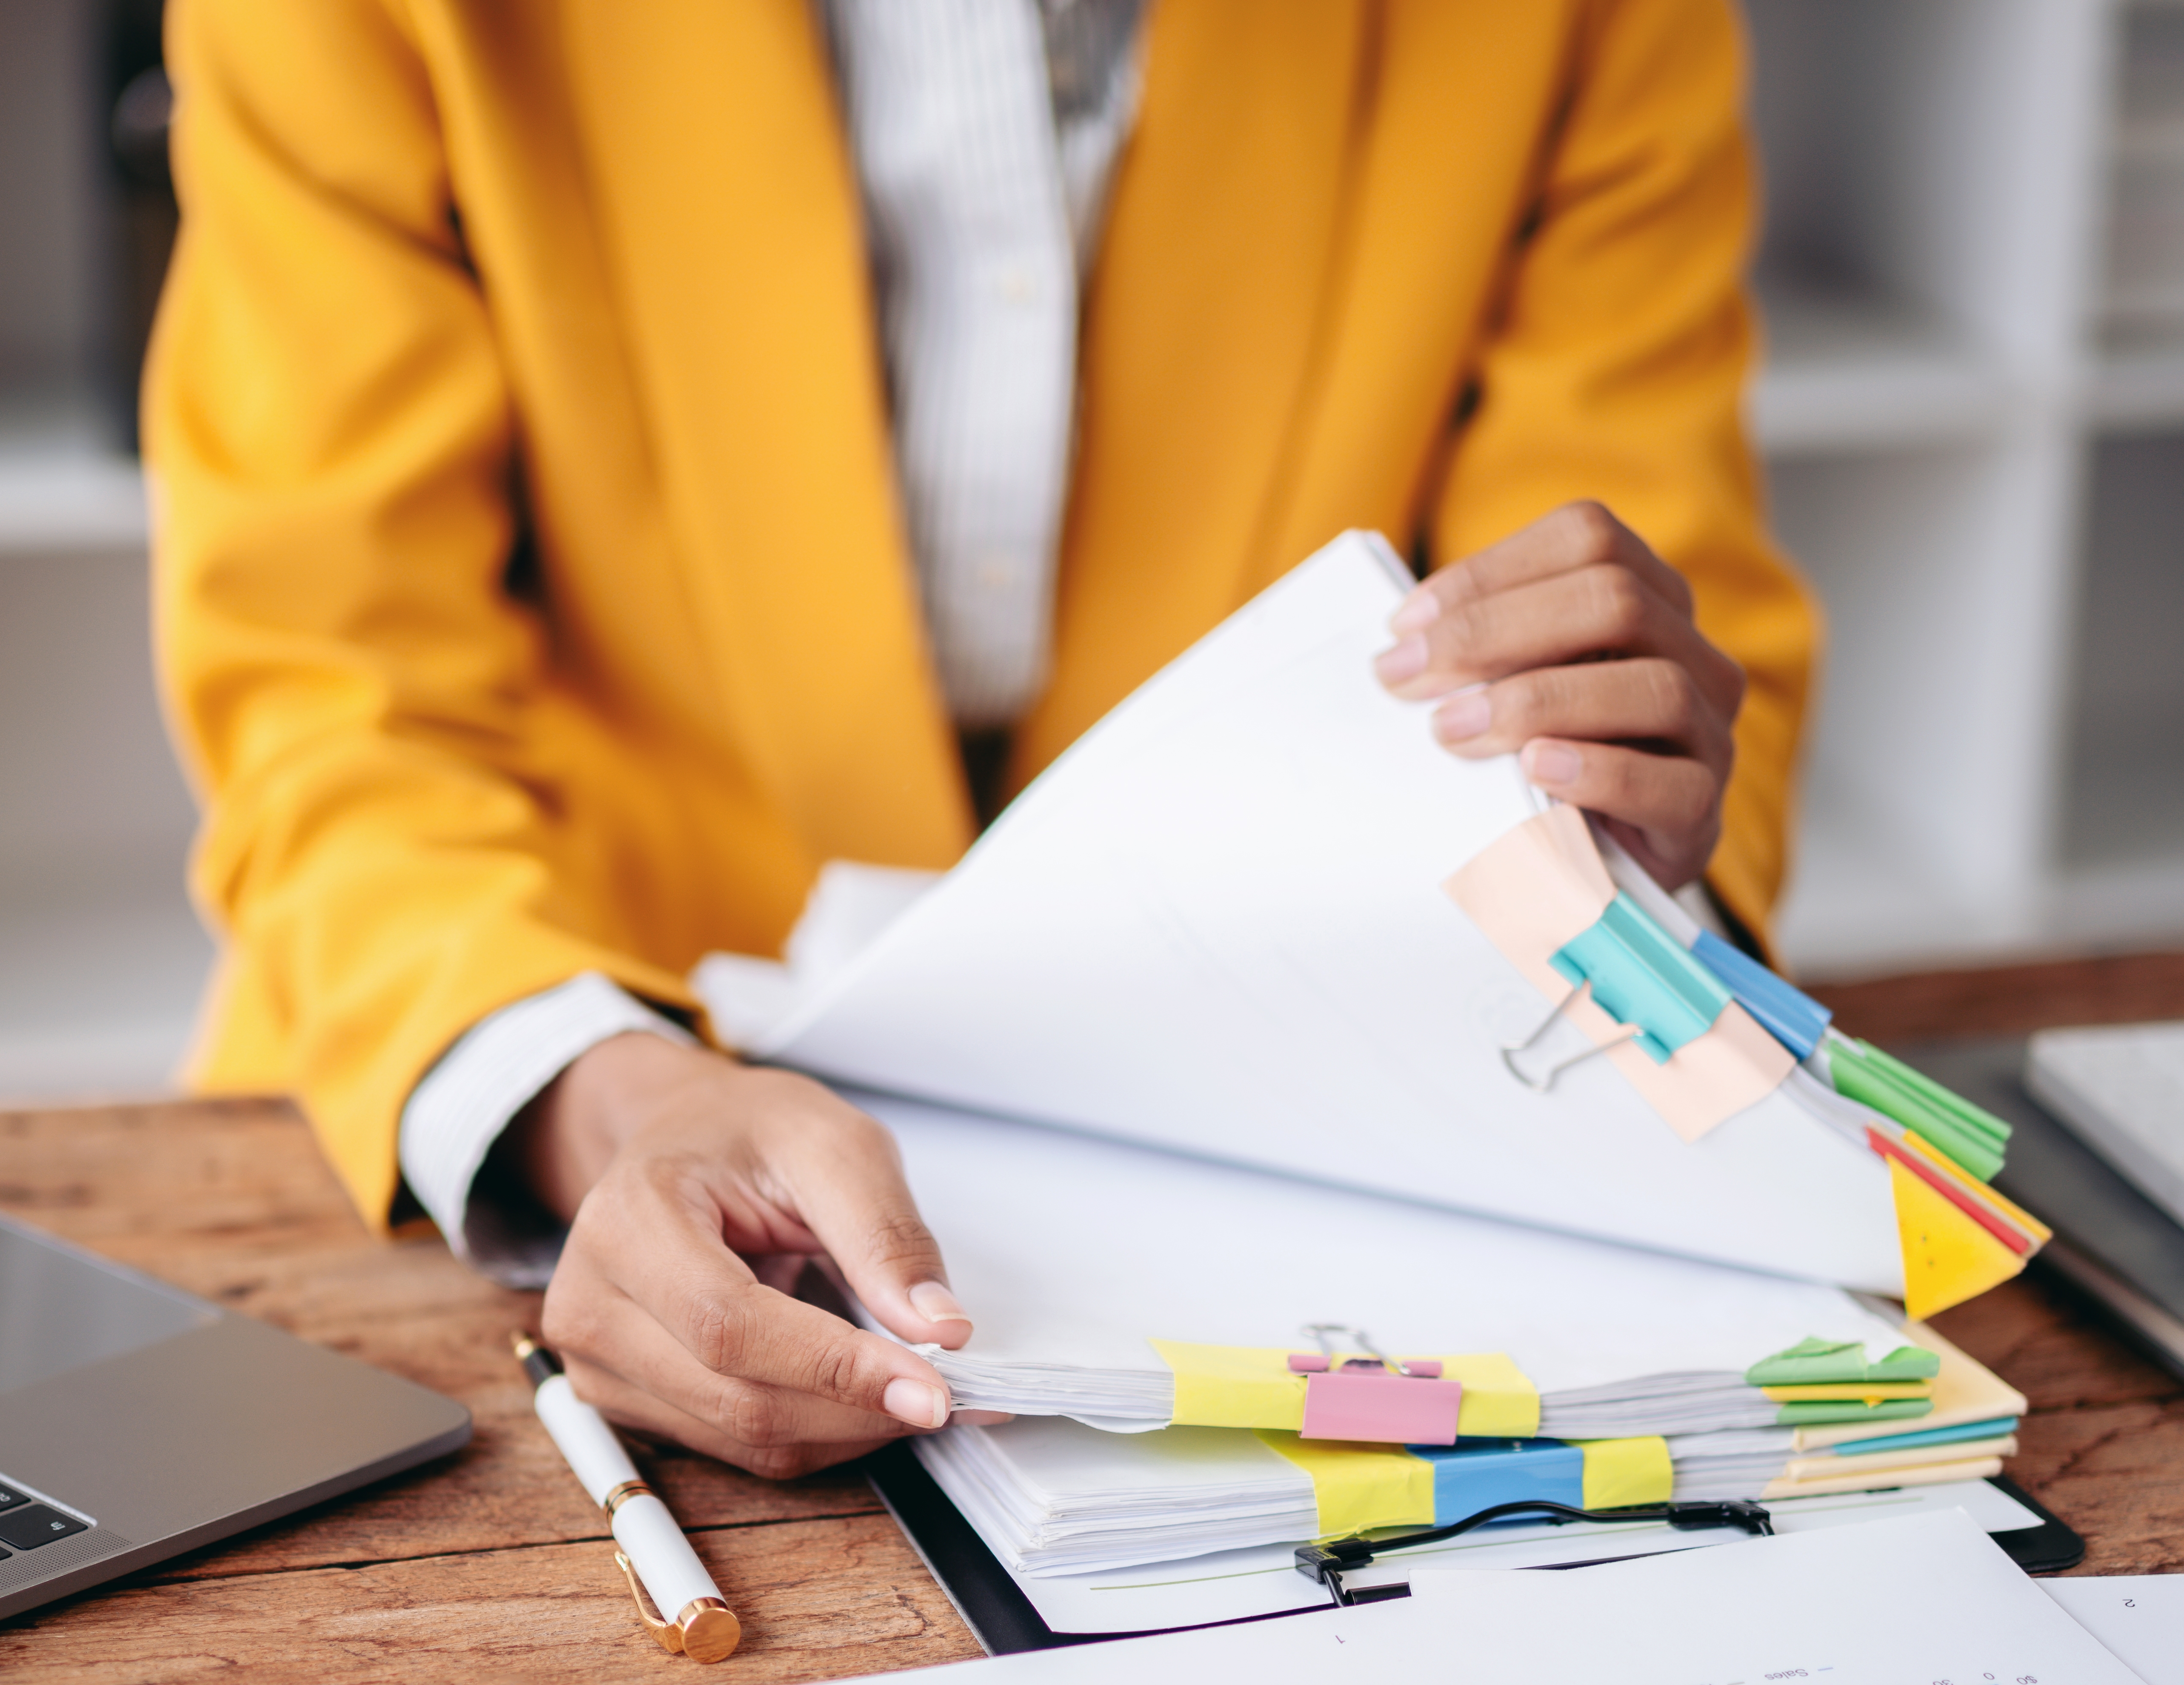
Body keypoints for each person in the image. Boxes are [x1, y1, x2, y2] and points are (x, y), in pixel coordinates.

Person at [148, 0, 1816, 1479]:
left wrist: (1613, 833)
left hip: (1301, 1155)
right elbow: (328, 691)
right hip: (550, 1091)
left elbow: (1641, 599)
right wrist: (601, 1105)